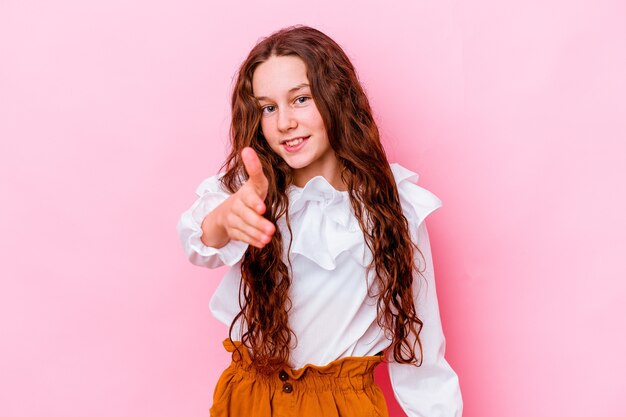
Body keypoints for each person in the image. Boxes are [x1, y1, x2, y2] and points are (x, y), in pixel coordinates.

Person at [177, 25, 462, 417]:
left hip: (343, 405)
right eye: (268, 108)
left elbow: (422, 352)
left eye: (300, 99)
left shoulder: (394, 204)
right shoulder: (251, 190)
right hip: (250, 399)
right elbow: (198, 239)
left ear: (336, 97)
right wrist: (224, 220)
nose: (284, 123)